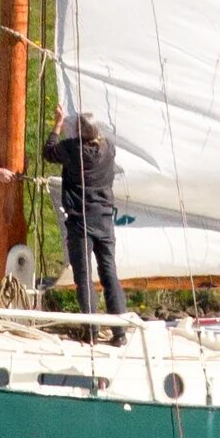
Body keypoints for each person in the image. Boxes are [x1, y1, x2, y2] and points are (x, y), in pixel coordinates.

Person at [43, 112, 124, 322]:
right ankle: (119, 330)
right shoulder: (109, 150)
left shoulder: (72, 148)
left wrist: (58, 124)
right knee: (109, 274)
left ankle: (91, 330)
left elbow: (49, 152)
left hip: (81, 221)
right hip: (105, 219)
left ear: (78, 131)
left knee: (84, 276)